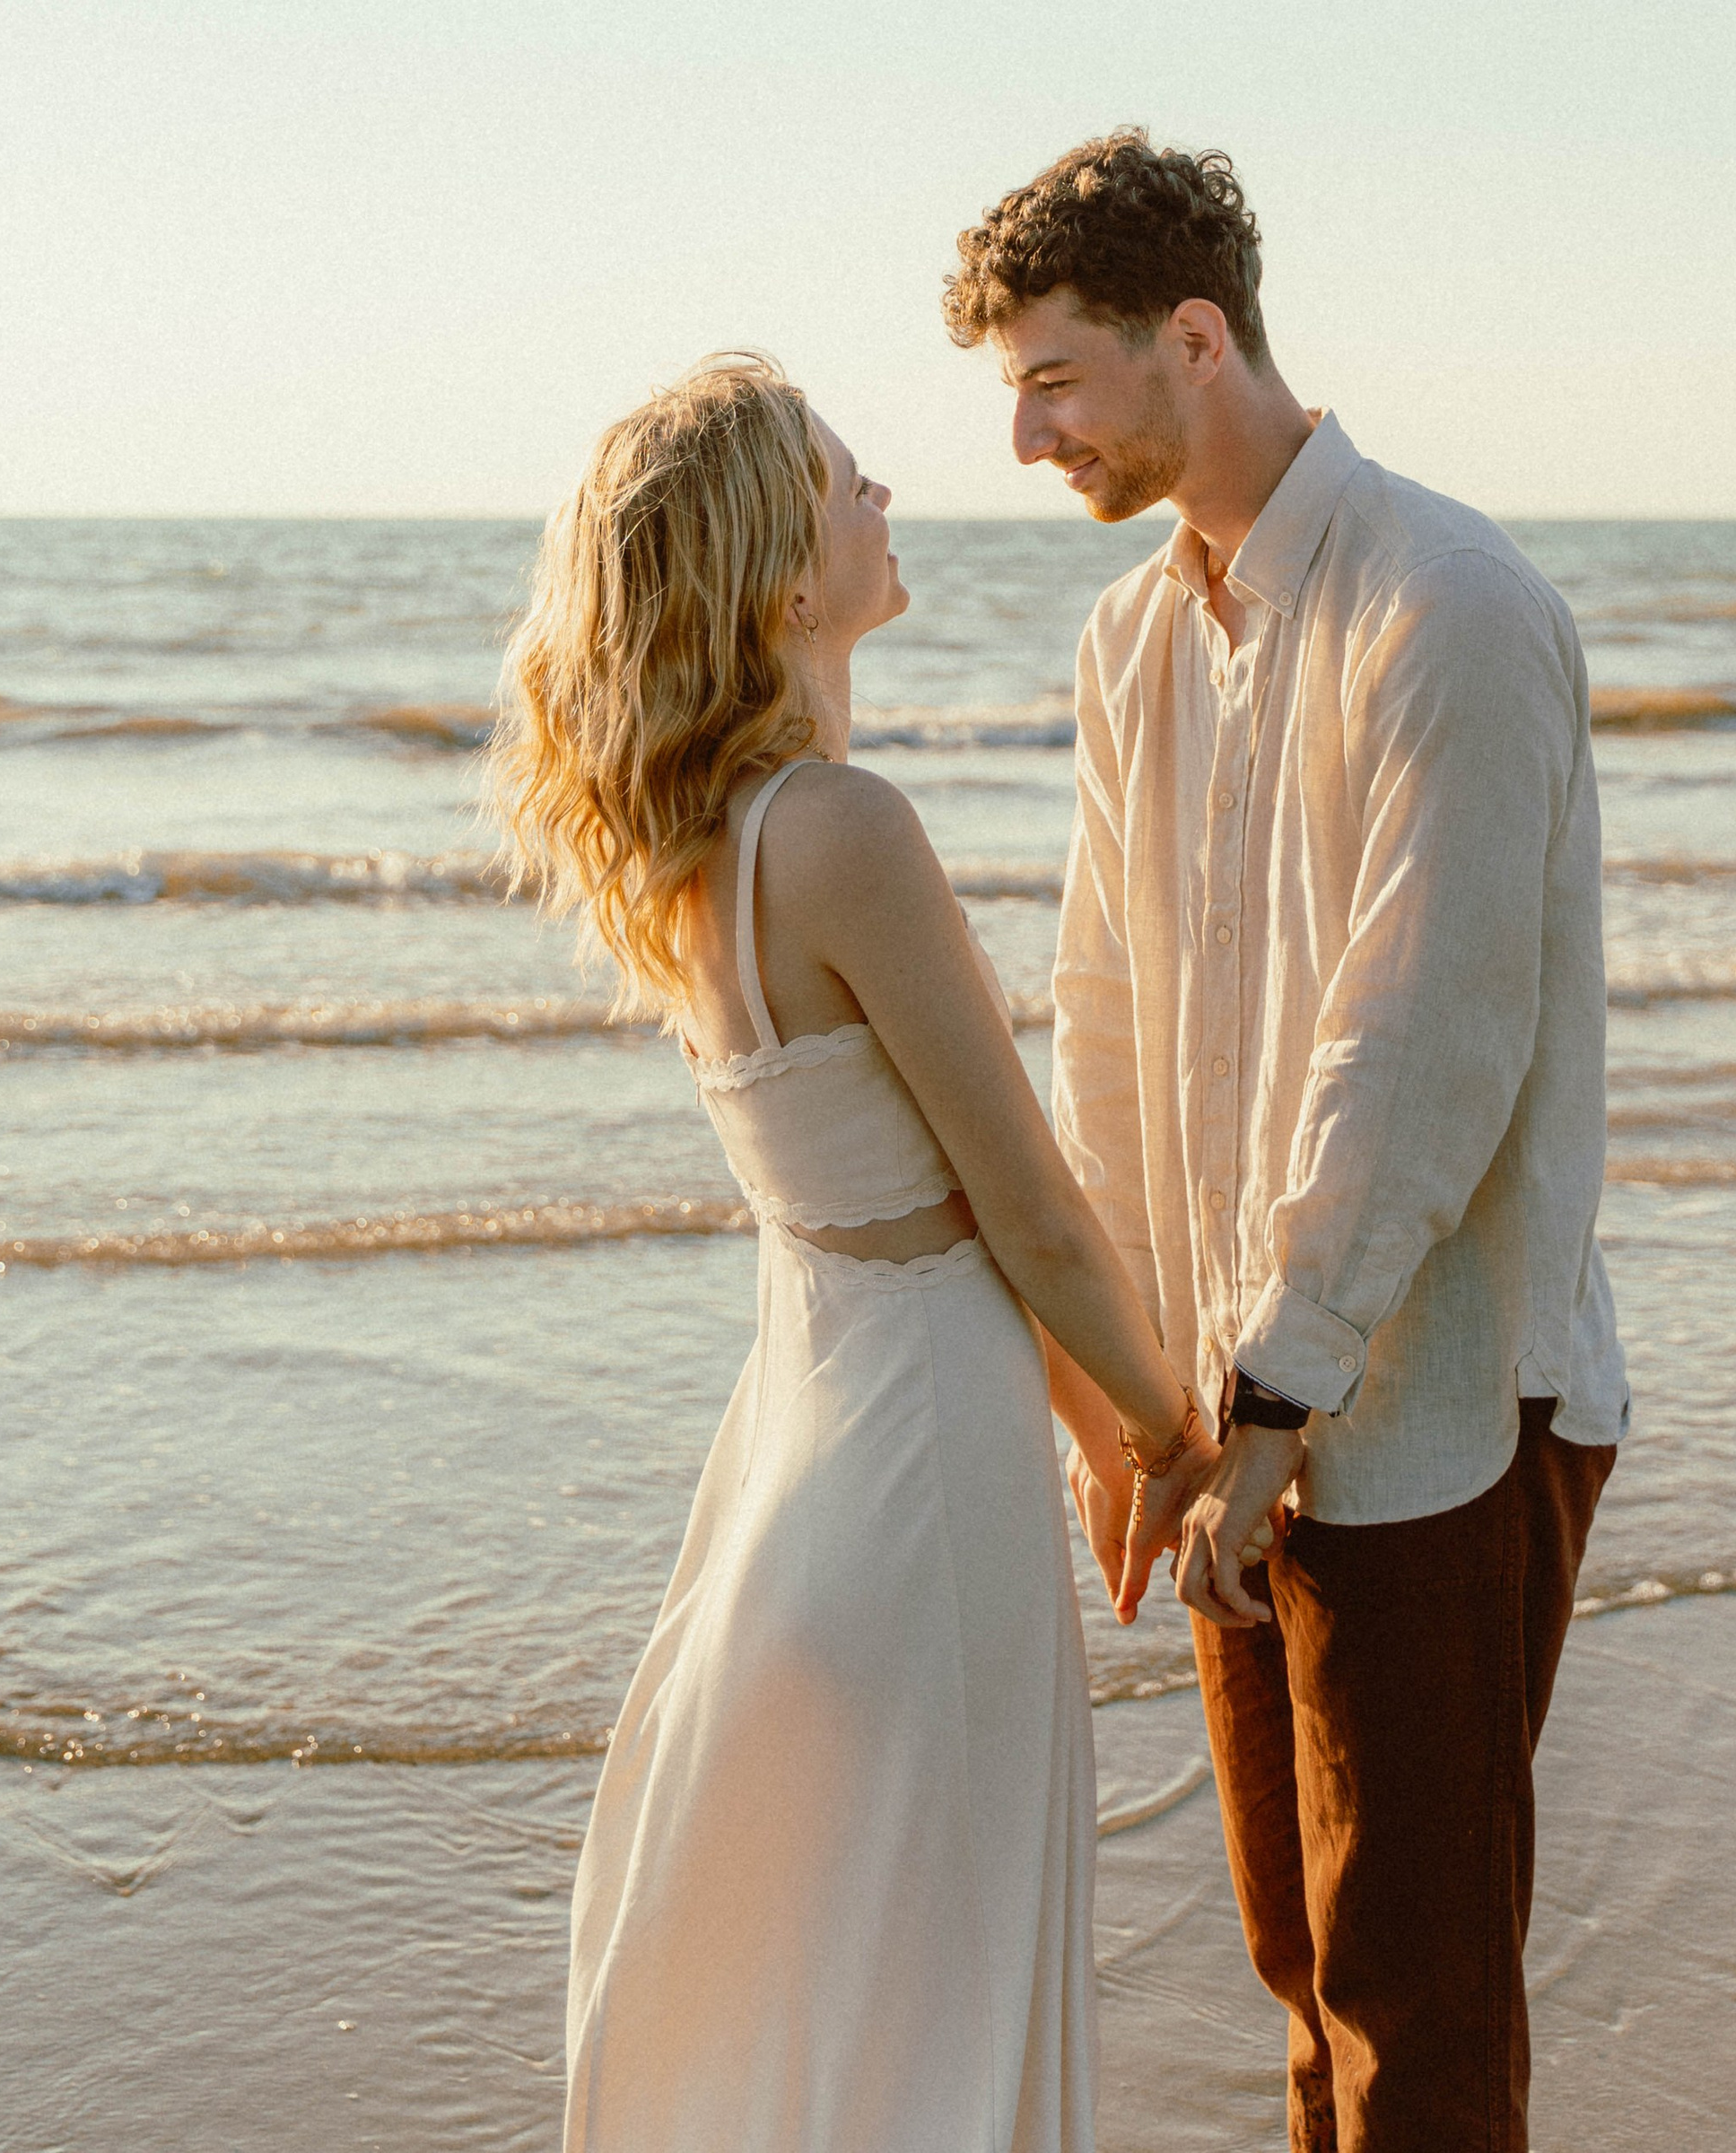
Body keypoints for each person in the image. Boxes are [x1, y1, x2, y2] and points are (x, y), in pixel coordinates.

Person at [945, 134, 1630, 2153]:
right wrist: (1137, 1401)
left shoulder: (1451, 603)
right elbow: (1112, 1034)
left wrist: (1266, 1391)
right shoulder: (1130, 647)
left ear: (1193, 333)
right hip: (1227, 1413)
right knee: (1297, 1968)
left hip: (1424, 1409)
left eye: (1051, 378)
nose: (1019, 435)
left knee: (1410, 1993)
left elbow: (1418, 1045)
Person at [493, 352, 1216, 2153]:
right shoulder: (840, 830)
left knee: (842, 1989)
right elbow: (1028, 1206)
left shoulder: (694, 858)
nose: (883, 492)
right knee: (943, 1995)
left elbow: (931, 1221)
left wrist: (1088, 1426)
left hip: (812, 1455)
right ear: (778, 580)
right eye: (841, 481)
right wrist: (1171, 1432)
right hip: (916, 1481)